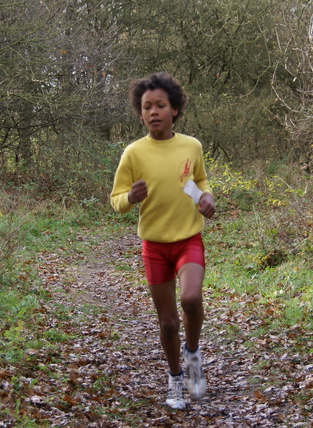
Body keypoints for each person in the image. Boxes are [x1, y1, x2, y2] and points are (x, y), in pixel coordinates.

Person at [110, 72, 215, 410]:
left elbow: (200, 180)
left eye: (160, 105)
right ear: (140, 114)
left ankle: (194, 355)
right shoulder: (133, 153)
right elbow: (116, 199)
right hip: (154, 246)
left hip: (188, 239)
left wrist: (207, 198)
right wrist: (131, 197)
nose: (153, 111)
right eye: (146, 107)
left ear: (175, 110)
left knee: (191, 297)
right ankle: (174, 380)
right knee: (168, 322)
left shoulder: (191, 146)